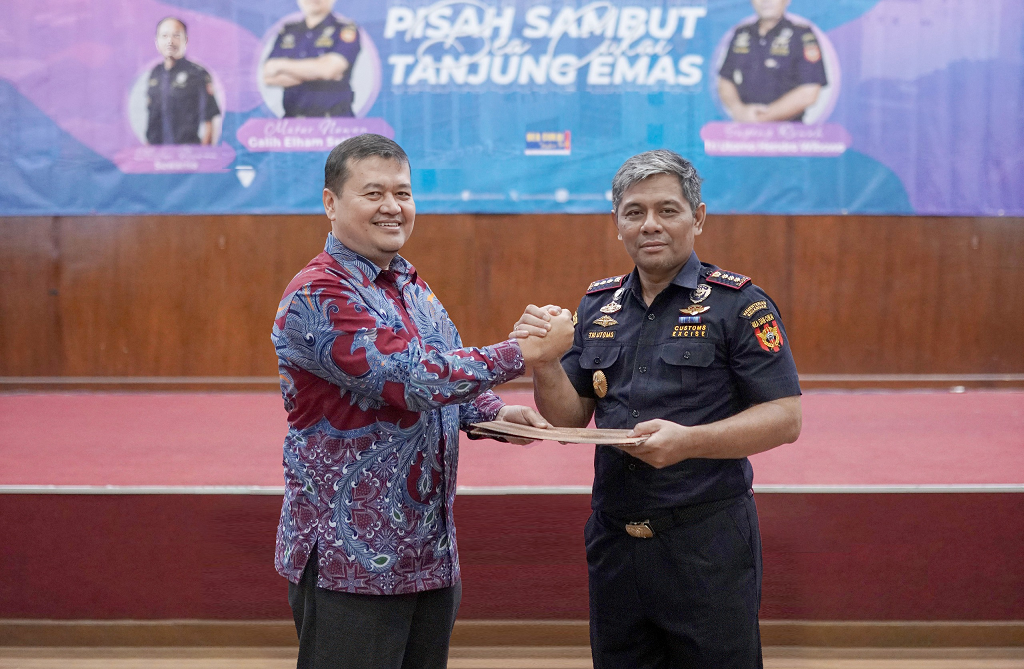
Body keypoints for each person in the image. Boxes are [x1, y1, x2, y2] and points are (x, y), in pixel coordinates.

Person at [272, 133, 574, 669]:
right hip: (352, 561)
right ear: (330, 203)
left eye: (403, 193)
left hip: (429, 553)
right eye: (373, 194)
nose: (393, 207)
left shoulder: (410, 284)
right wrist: (524, 351)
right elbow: (413, 379)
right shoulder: (317, 295)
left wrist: (492, 416)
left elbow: (444, 374)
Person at [513, 150, 802, 668]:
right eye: (634, 212)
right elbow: (568, 418)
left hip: (705, 541)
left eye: (668, 210)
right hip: (615, 540)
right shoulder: (596, 307)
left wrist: (689, 441)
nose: (650, 225)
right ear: (616, 223)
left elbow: (785, 417)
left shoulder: (740, 304)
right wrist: (546, 363)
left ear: (698, 218)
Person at [717, 0, 827, 122]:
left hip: (789, 133)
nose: (765, 1)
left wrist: (762, 118)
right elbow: (725, 80)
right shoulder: (741, 34)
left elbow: (809, 92)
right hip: (744, 131)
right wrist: (739, 110)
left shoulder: (801, 35)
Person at [263, 0, 361, 117]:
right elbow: (269, 76)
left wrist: (280, 65)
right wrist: (316, 70)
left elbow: (329, 70)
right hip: (293, 124)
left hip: (333, 122)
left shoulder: (346, 29)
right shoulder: (288, 31)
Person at [146, 17, 221, 145]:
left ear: (185, 40)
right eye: (164, 36)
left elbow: (210, 118)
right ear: (156, 41)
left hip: (188, 153)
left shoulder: (197, 73)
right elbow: (151, 115)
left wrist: (204, 156)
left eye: (176, 35)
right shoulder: (155, 73)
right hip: (156, 153)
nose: (170, 41)